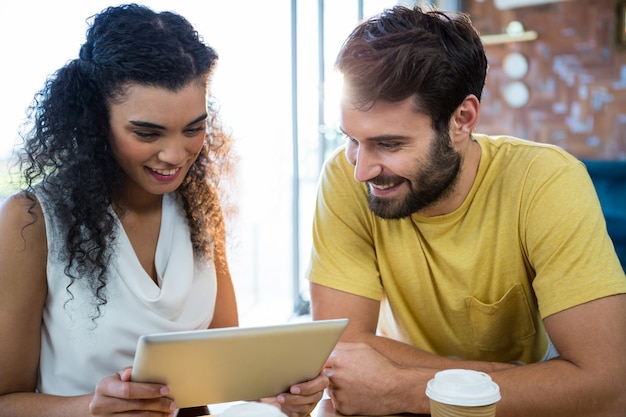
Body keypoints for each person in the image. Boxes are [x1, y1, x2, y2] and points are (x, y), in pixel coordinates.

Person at [0, 4, 326, 417]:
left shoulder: (201, 205)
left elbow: (230, 369)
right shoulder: (31, 220)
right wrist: (90, 408)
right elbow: (5, 401)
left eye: (193, 128)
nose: (175, 155)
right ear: (96, 122)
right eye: (147, 132)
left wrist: (277, 392)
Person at [306, 5, 626, 417]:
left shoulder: (545, 180)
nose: (361, 170)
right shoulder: (343, 176)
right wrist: (527, 378)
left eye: (389, 144)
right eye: (351, 138)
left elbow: (608, 389)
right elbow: (344, 349)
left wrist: (402, 387)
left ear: (462, 119)